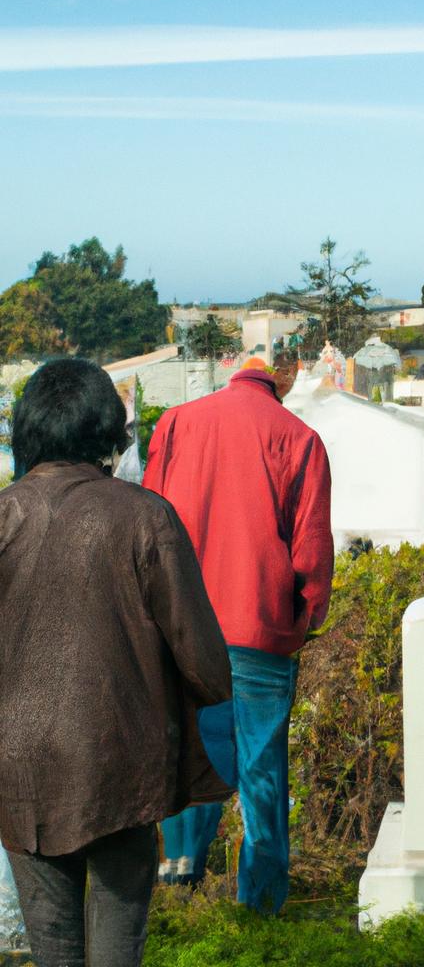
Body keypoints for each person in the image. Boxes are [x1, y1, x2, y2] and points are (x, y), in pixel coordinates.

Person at [0, 358, 233, 967]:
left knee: (53, 952)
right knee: (114, 950)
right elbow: (207, 663)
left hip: (20, 768)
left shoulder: (2, 516)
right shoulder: (144, 516)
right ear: (108, 430)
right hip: (120, 759)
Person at [143, 349, 333, 913]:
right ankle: (261, 906)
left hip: (181, 626)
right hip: (258, 627)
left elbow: (148, 518)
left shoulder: (177, 422)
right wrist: (304, 620)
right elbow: (312, 551)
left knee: (186, 751)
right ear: (284, 379)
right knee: (261, 772)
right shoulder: (298, 437)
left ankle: (177, 882)